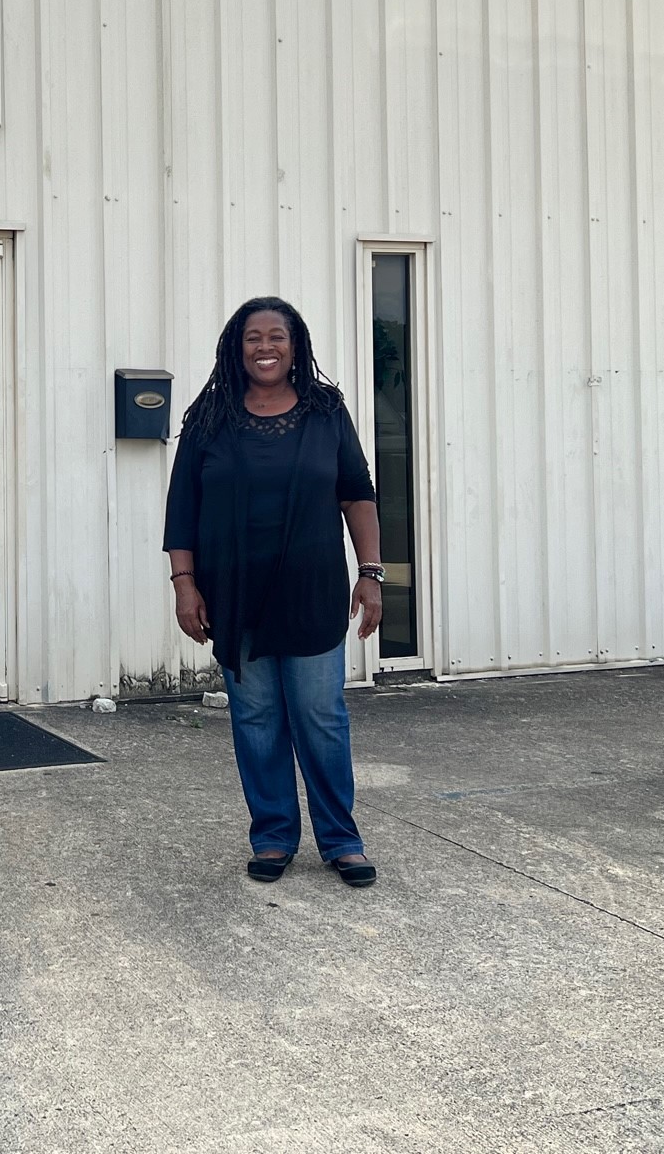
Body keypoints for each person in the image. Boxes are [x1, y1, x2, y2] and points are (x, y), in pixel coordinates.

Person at [162, 296, 386, 887]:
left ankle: (341, 839)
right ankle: (273, 836)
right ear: (237, 348)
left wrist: (371, 572)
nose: (265, 347)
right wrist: (185, 585)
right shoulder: (209, 415)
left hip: (311, 591)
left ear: (296, 346)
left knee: (320, 716)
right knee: (256, 718)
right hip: (233, 594)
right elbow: (182, 508)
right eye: (253, 338)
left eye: (276, 337)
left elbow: (356, 494)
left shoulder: (324, 410)